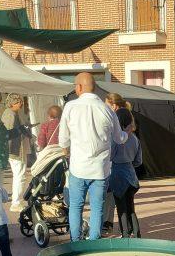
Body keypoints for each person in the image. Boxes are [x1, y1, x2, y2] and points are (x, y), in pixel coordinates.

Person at [59, 72, 129, 241]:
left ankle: (75, 242)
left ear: (79, 87)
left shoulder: (70, 107)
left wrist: (66, 151)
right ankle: (93, 242)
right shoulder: (107, 109)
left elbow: (63, 139)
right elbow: (119, 139)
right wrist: (128, 133)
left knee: (76, 206)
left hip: (78, 167)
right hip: (100, 169)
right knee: (97, 208)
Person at [102, 93, 134, 235]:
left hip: (112, 166)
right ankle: (114, 225)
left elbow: (114, 144)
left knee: (110, 196)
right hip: (127, 171)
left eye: (107, 104)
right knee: (123, 203)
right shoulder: (128, 120)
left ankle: (108, 224)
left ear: (114, 105)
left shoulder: (114, 120)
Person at [110, 107, 143, 238]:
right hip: (131, 175)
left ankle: (125, 234)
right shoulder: (135, 139)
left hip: (117, 175)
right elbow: (138, 161)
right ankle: (137, 233)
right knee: (131, 207)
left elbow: (110, 156)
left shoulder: (115, 139)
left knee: (121, 208)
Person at [1, 93, 31, 211]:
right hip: (15, 150)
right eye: (19, 102)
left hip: (15, 150)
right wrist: (22, 130)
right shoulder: (10, 114)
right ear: (12, 103)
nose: (21, 104)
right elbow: (8, 133)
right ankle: (16, 203)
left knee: (19, 175)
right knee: (20, 176)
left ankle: (16, 201)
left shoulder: (11, 113)